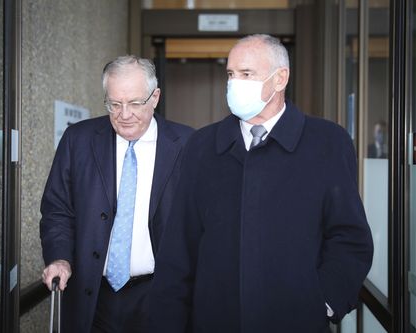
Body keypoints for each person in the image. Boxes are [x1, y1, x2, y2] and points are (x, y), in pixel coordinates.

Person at [147, 34, 374, 332]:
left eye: (246, 74)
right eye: (230, 74)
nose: (233, 83)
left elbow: (349, 237)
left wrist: (323, 301)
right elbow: (180, 247)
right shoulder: (202, 146)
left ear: (280, 78)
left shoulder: (327, 143)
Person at [40, 55, 194, 332]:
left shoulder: (188, 144)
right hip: (93, 295)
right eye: (115, 104)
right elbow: (57, 208)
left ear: (155, 97)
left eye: (135, 103)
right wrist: (60, 257)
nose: (124, 114)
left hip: (159, 294)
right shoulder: (79, 140)